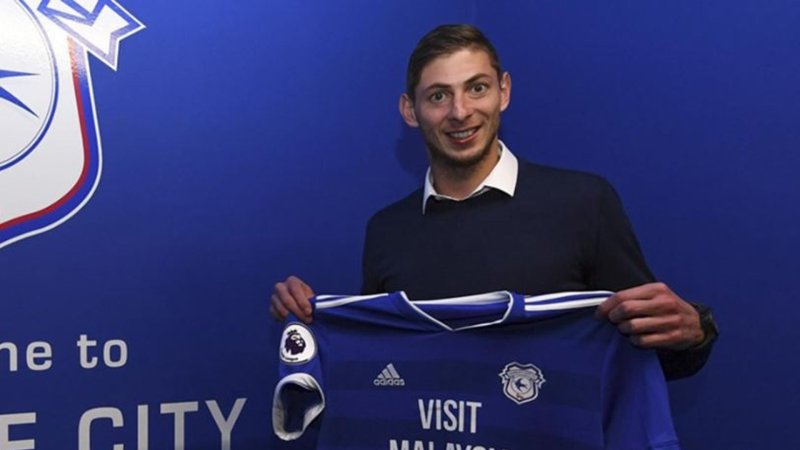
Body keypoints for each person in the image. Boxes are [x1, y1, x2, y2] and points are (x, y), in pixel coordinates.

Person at [270, 24, 717, 379]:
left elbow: (655, 351)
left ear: (504, 91)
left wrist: (693, 332)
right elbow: (377, 369)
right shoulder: (386, 229)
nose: (460, 111)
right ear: (410, 110)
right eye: (438, 96)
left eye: (477, 88)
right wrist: (309, 322)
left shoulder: (584, 203)